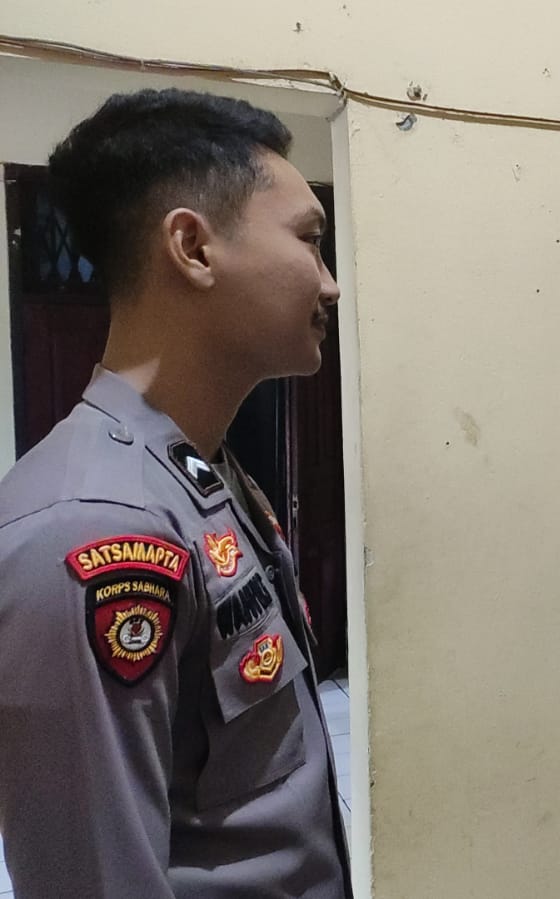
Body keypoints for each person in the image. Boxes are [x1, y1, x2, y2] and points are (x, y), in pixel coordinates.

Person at [0, 88, 349, 897]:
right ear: (193, 247)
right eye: (310, 240)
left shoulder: (201, 473)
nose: (330, 285)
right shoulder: (90, 528)